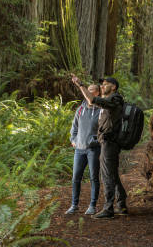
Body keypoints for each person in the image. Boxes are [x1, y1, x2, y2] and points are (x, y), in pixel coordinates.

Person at [71, 75, 127, 219]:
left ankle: (108, 209)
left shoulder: (114, 99)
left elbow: (92, 99)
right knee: (112, 173)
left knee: (107, 175)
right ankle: (121, 203)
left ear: (113, 87)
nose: (102, 86)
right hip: (105, 142)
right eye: (101, 84)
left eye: (105, 84)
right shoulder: (108, 101)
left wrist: (80, 85)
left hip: (110, 143)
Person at [65, 83, 102, 215]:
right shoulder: (80, 109)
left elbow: (103, 131)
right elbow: (74, 128)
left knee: (94, 177)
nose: (89, 92)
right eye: (88, 90)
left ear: (98, 93)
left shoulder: (101, 110)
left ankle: (93, 205)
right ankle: (74, 205)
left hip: (93, 149)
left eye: (92, 90)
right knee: (76, 178)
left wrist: (95, 141)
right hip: (79, 149)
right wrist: (73, 141)